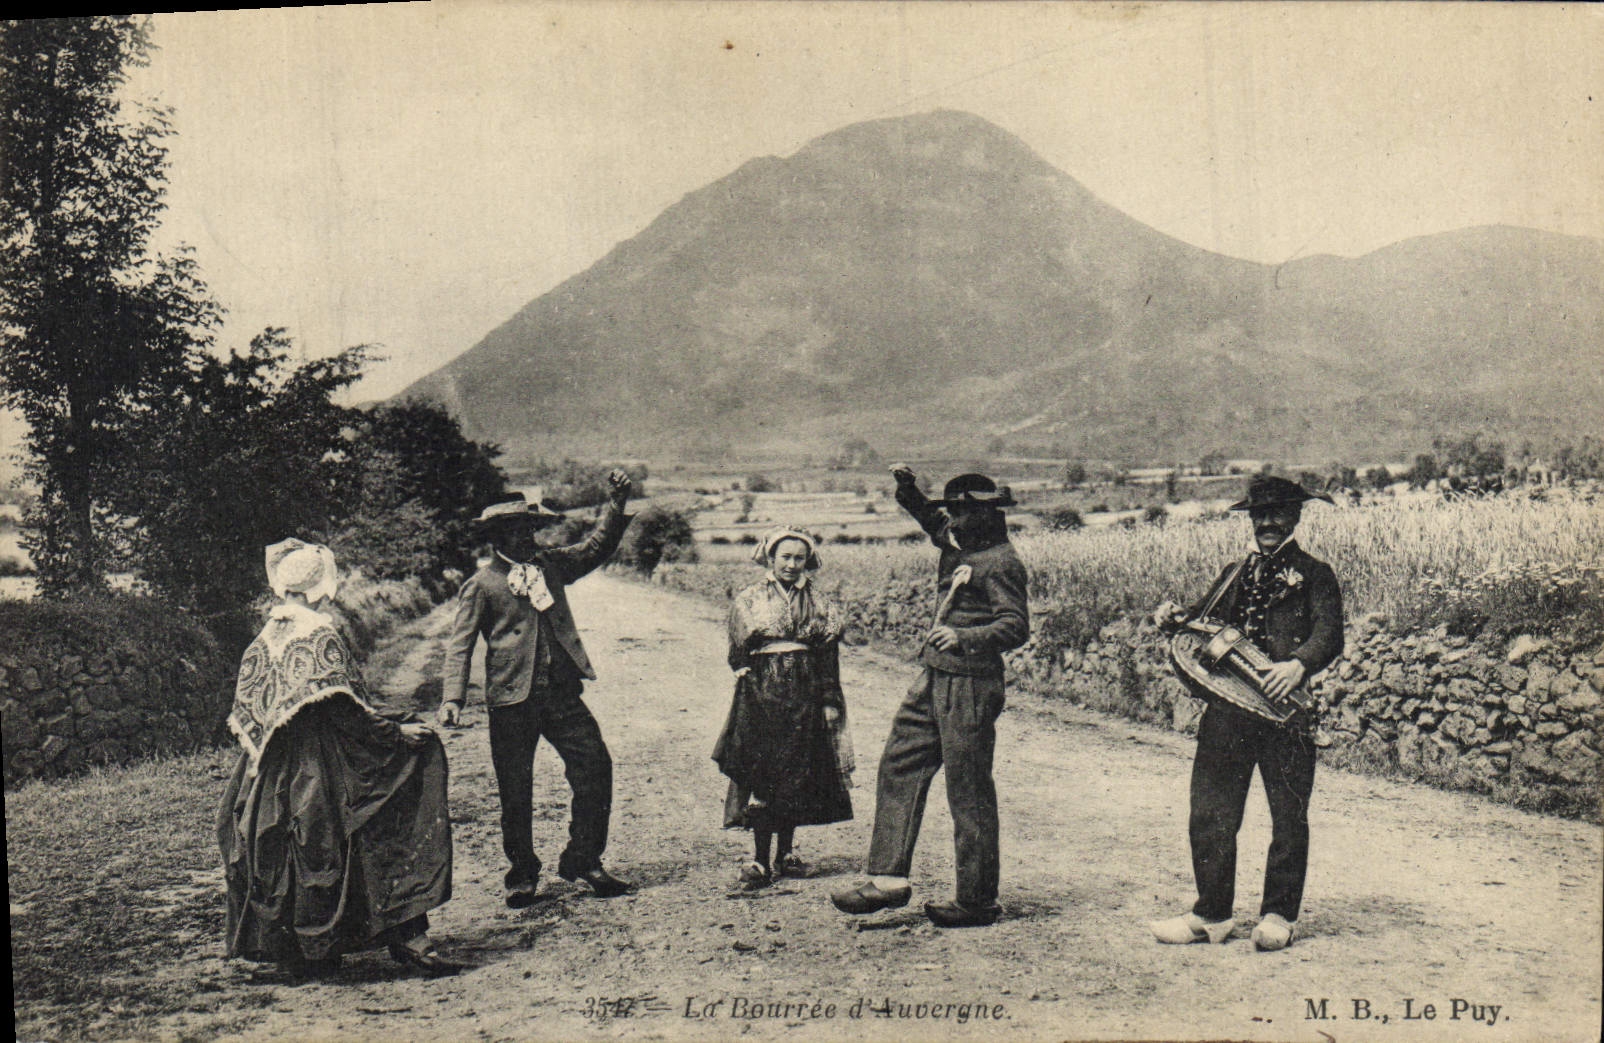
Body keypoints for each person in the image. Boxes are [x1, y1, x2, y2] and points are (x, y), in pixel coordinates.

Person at [218, 539, 458, 979]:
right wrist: (396, 733)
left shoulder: (264, 637)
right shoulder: (318, 633)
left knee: (284, 844)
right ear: (318, 587)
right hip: (323, 757)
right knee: (373, 817)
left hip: (272, 765)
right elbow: (345, 712)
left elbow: (254, 711)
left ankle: (306, 951)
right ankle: (407, 935)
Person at [1148, 474, 1344, 951]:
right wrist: (1173, 618)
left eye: (1278, 513)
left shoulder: (1316, 573)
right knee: (1210, 811)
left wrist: (1298, 665)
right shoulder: (1236, 571)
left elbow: (1330, 634)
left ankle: (1279, 915)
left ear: (1296, 517)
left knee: (1288, 816)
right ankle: (1211, 914)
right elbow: (1202, 620)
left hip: (1286, 713)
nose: (1268, 523)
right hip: (1228, 712)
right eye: (1260, 514)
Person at [832, 467, 1029, 927]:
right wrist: (907, 490)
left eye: (961, 512)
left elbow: (1016, 625)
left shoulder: (1001, 561)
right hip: (933, 676)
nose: (952, 521)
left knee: (968, 789)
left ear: (987, 513)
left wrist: (964, 637)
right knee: (900, 763)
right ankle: (886, 879)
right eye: (952, 513)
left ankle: (977, 900)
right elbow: (928, 518)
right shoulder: (959, 540)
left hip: (972, 684)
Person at [438, 472, 634, 905]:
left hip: (562, 695)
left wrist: (615, 505)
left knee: (595, 767)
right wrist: (453, 698)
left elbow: (596, 548)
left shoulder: (553, 566)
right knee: (515, 788)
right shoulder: (482, 585)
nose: (526, 535)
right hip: (511, 701)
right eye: (515, 530)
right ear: (496, 536)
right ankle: (522, 873)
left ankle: (584, 859)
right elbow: (459, 646)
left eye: (530, 527)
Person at [713, 527, 854, 890]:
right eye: (785, 557)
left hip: (804, 692)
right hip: (763, 691)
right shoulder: (750, 599)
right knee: (763, 772)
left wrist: (828, 701)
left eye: (799, 558)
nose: (791, 564)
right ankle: (760, 860)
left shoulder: (819, 601)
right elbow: (737, 647)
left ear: (808, 561)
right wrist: (743, 668)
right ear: (770, 558)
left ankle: (785, 854)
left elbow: (827, 655)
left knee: (797, 772)